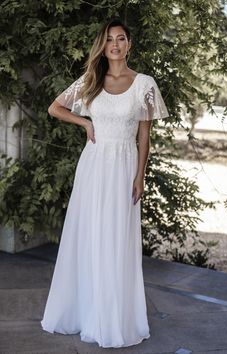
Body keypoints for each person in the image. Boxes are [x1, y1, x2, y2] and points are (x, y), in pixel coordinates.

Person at [41, 17, 169, 348]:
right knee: (91, 235)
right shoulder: (91, 79)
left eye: (121, 38)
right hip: (94, 166)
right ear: (104, 44)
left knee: (117, 239)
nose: (115, 44)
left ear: (129, 45)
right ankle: (88, 313)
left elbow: (145, 136)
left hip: (124, 166)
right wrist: (83, 122)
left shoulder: (145, 85)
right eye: (110, 38)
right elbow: (55, 107)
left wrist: (139, 175)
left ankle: (113, 318)